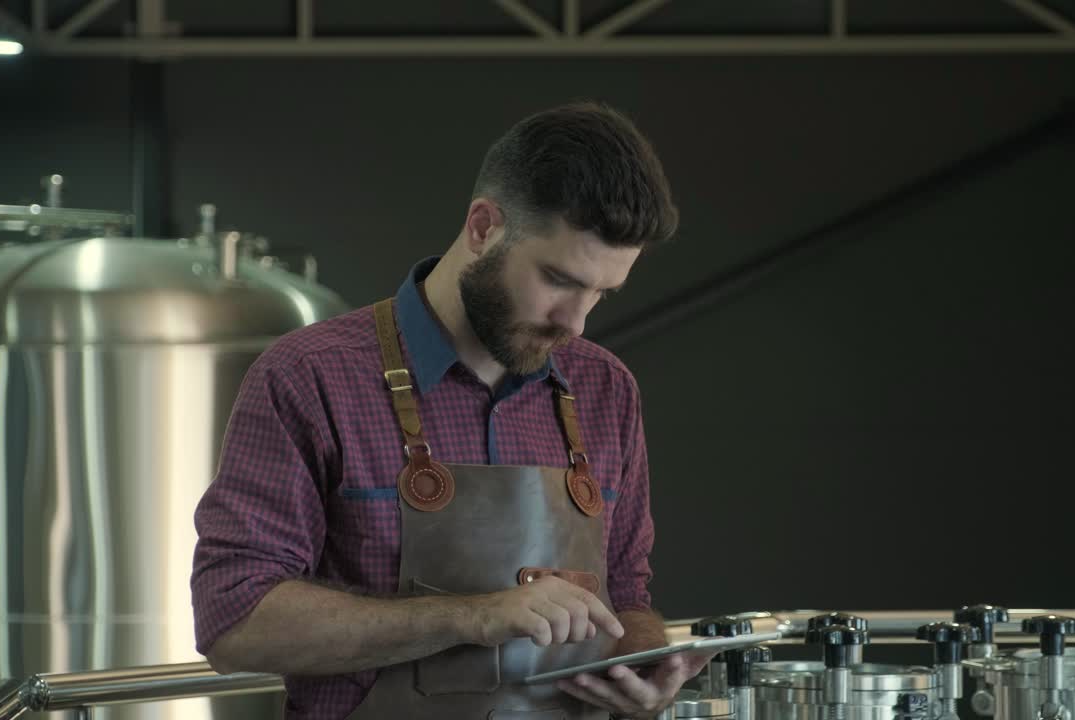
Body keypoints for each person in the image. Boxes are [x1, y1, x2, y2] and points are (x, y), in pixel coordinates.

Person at [191, 100, 706, 720]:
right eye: (560, 279)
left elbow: (626, 592)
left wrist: (647, 661)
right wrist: (471, 615)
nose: (576, 322)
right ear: (484, 226)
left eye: (602, 292)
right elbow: (234, 620)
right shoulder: (309, 378)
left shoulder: (607, 389)